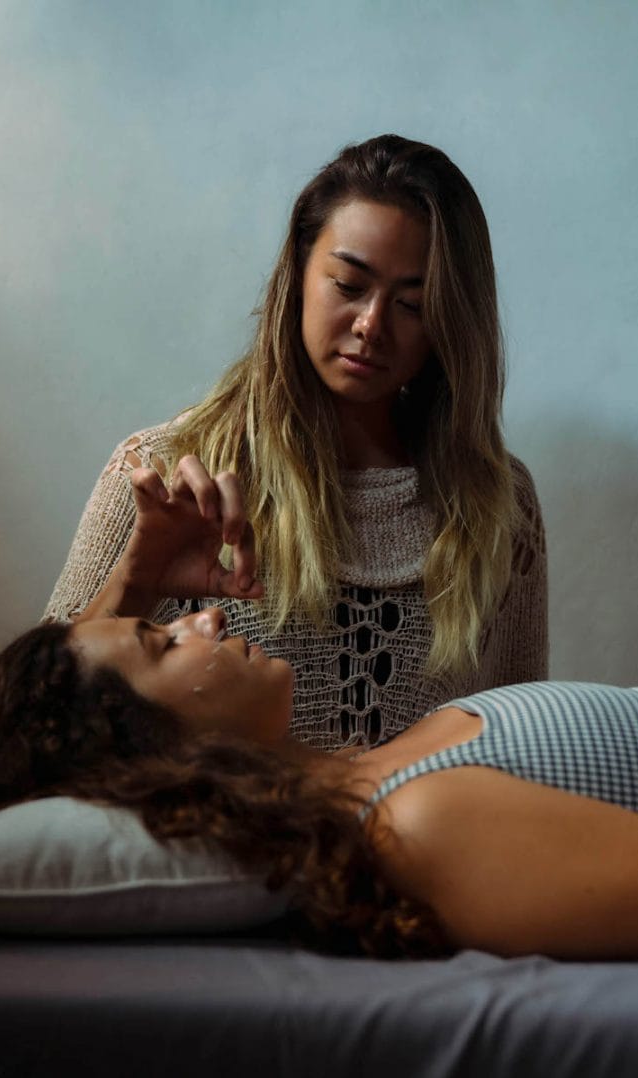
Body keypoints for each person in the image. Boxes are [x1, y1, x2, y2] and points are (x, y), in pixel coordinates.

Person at [0, 475, 638, 962]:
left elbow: (55, 696)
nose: (205, 619)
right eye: (164, 641)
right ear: (152, 750)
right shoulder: (416, 822)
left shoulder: (374, 771)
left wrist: (139, 579)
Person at [43, 134, 548, 750]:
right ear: (301, 273)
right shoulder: (166, 472)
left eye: (412, 304)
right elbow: (27, 735)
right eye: (349, 285)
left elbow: (522, 743)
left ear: (449, 321)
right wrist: (138, 578)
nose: (371, 325)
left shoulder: (497, 505)